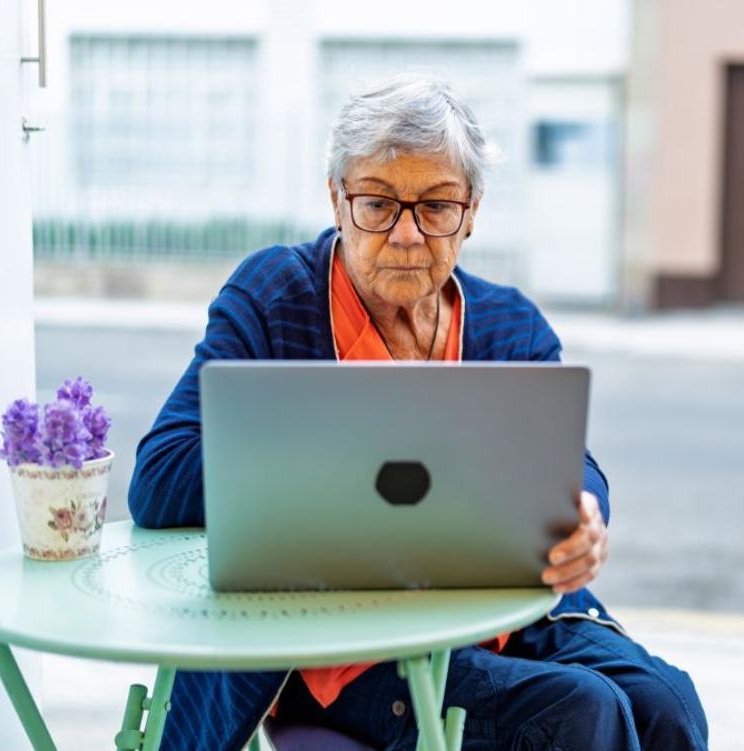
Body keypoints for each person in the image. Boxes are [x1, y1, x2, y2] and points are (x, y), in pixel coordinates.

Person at [127, 75, 709, 751]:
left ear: (472, 211)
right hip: (342, 641)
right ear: (337, 202)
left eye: (435, 206)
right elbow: (159, 477)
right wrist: (338, 444)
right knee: (575, 711)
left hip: (503, 613)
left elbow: (567, 461)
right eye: (377, 203)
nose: (406, 235)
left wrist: (583, 511)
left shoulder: (508, 325)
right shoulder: (272, 296)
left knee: (667, 704)